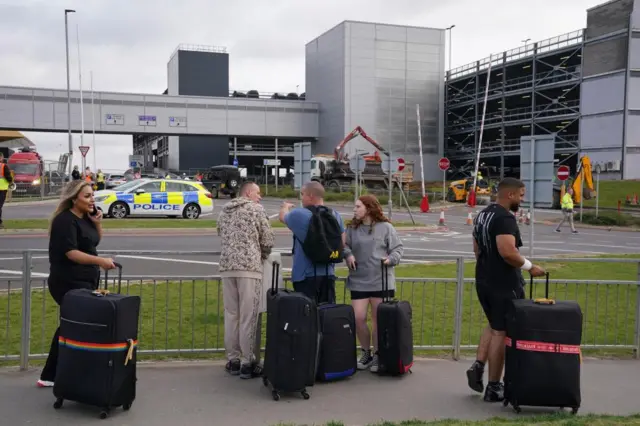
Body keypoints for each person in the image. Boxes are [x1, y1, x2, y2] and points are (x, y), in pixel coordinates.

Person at [465, 177, 546, 402]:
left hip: (483, 279)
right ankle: (493, 386)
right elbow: (508, 252)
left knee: (493, 325)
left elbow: (476, 248)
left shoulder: (483, 215)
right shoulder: (504, 219)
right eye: (521, 195)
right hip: (504, 283)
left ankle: (478, 365)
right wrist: (530, 267)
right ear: (510, 195)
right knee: (501, 332)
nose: (522, 199)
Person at [37, 180, 116, 388]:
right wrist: (100, 262)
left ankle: (61, 372)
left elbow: (94, 242)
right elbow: (71, 253)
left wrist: (98, 222)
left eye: (93, 195)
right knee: (71, 323)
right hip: (67, 281)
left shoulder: (86, 218)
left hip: (85, 280)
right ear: (74, 199)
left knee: (75, 324)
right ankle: (50, 375)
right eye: (87, 196)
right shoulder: (65, 221)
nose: (92, 200)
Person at [217, 181, 275, 379]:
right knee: (249, 316)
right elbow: (267, 239)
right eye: (258, 193)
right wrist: (263, 254)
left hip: (227, 266)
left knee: (231, 314)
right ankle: (247, 361)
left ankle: (232, 359)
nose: (260, 197)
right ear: (249, 193)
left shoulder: (225, 210)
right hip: (249, 267)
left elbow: (220, 233)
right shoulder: (256, 210)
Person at [343, 195, 403, 373]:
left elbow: (398, 248)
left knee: (379, 321)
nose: (354, 210)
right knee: (358, 318)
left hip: (381, 280)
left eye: (358, 206)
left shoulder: (386, 228)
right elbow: (344, 246)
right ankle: (365, 352)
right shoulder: (352, 228)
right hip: (359, 280)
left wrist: (390, 259)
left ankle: (378, 354)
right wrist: (348, 255)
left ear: (368, 208)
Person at [279, 181, 346, 304]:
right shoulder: (335, 215)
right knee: (326, 314)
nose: (301, 197)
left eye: (302, 194)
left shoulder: (298, 214)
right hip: (328, 274)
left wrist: (285, 206)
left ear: (310, 195)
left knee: (307, 316)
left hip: (305, 276)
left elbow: (282, 217)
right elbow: (343, 241)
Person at [0, 152, 14, 229]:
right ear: (1, 158)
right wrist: (11, 181)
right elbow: (8, 176)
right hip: (2, 189)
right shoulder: (3, 166)